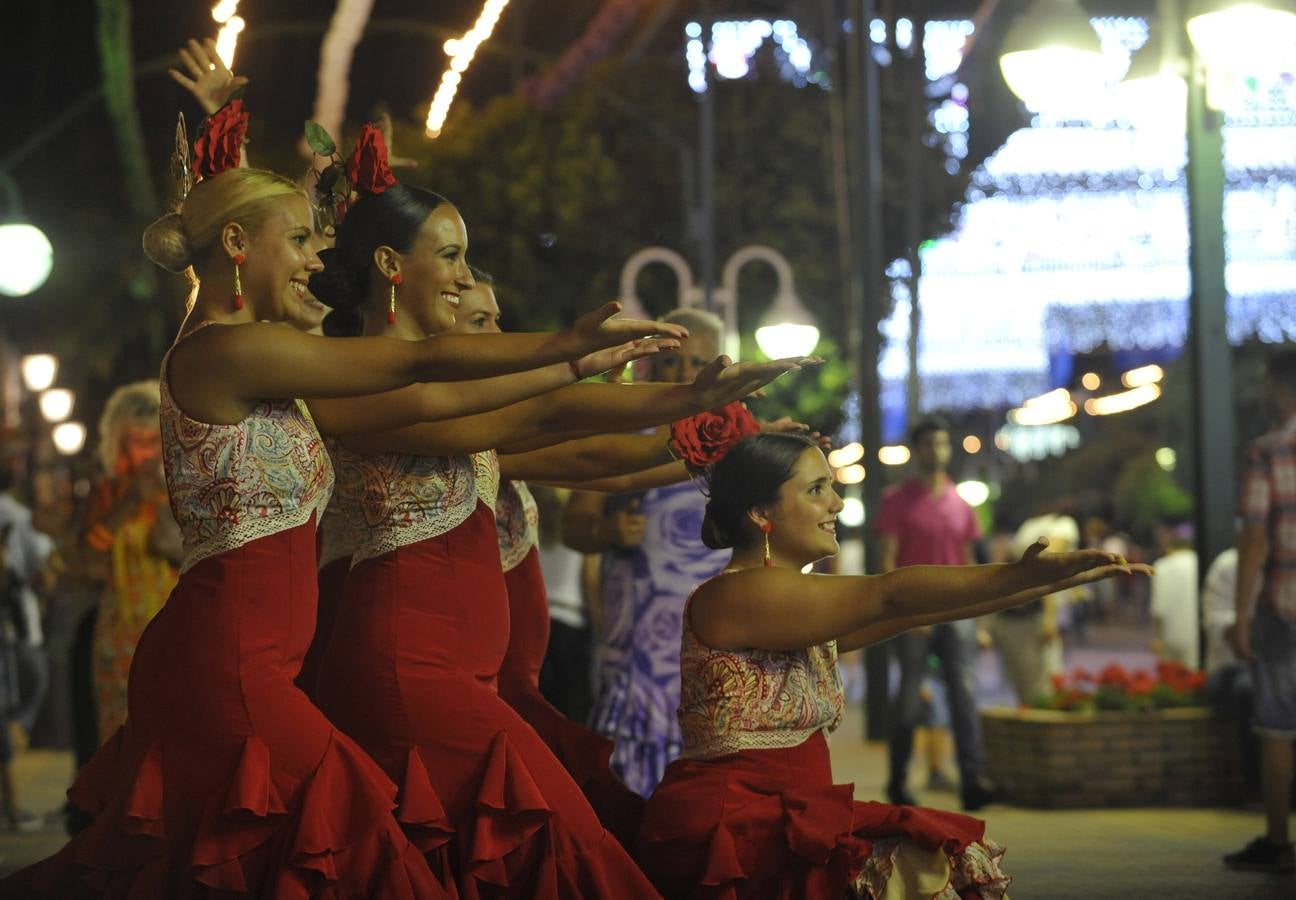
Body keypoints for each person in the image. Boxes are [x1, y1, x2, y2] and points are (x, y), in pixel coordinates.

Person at [306, 166, 809, 896]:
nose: (462, 281)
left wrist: (706, 417)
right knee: (564, 851)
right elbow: (547, 418)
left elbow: (582, 443)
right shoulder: (361, 377)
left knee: (500, 859)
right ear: (389, 264)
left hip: (461, 671)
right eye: (448, 257)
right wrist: (643, 384)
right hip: (406, 667)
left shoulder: (444, 387)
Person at [637, 432, 1148, 898]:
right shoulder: (734, 594)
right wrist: (1014, 576)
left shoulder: (793, 609)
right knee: (922, 856)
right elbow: (892, 595)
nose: (836, 503)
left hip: (798, 811)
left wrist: (1042, 583)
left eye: (832, 488)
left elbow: (921, 610)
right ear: (759, 512)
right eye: (816, 490)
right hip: (741, 823)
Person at [563, 307, 736, 798]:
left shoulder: (733, 441)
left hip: (711, 632)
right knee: (631, 785)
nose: (684, 375)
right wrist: (610, 531)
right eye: (672, 362)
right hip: (638, 636)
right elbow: (574, 526)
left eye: (698, 363)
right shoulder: (620, 430)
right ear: (650, 365)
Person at [876, 416, 996, 810]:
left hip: (957, 612)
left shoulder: (961, 502)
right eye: (930, 444)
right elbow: (888, 559)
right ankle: (897, 782)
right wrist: (900, 612)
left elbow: (967, 563)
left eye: (943, 444)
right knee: (909, 697)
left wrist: (977, 620)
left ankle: (973, 779)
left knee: (964, 694)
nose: (937, 451)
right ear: (917, 449)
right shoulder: (897, 500)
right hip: (913, 613)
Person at [1224, 350, 1296, 874]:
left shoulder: (1269, 451)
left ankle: (1277, 839)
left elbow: (1254, 539)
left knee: (1277, 727)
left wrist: (1241, 617)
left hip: (1282, 609)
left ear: (1276, 387)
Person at [81, 381, 182, 743]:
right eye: (137, 443)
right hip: (120, 629)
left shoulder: (179, 487)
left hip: (173, 623)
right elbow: (90, 559)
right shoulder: (107, 492)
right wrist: (126, 507)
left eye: (153, 441)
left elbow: (187, 552)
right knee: (122, 729)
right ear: (118, 443)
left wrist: (158, 506)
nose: (147, 454)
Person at [986, 512, 1076, 706]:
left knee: (1041, 680)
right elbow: (1045, 568)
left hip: (1031, 614)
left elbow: (1046, 567)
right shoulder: (1036, 525)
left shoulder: (1055, 524)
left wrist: (1050, 618)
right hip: (1021, 614)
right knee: (1030, 682)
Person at [1149, 521, 1199, 669]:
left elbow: (1157, 609)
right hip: (1195, 636)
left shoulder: (1161, 566)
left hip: (1169, 635)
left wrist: (1158, 638)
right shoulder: (1198, 564)